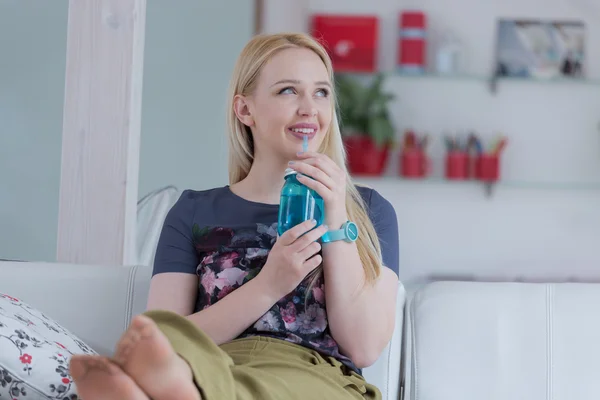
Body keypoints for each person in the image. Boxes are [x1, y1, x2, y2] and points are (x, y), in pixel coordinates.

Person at [68, 32, 400, 400]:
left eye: (321, 92)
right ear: (245, 110)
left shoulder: (368, 210)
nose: (310, 108)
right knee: (167, 352)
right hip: (215, 365)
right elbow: (164, 338)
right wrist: (267, 285)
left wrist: (336, 215)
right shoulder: (193, 211)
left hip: (314, 377)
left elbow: (365, 348)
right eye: (288, 90)